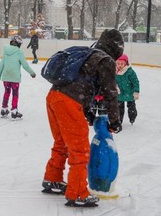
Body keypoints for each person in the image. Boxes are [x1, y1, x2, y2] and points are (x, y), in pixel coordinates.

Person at [41, 29, 123, 208]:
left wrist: (88, 113)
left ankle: (52, 178)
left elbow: (81, 84)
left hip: (54, 97)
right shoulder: (105, 60)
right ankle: (77, 192)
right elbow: (110, 94)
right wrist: (115, 120)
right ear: (116, 49)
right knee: (80, 149)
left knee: (62, 142)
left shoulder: (87, 55)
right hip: (69, 101)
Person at [0, 35, 36, 119]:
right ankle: (14, 111)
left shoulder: (5, 52)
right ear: (18, 44)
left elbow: (1, 65)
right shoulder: (19, 52)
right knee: (15, 93)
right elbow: (25, 65)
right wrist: (32, 73)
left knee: (6, 92)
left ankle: (4, 109)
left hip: (6, 76)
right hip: (15, 77)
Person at [115, 54, 140, 125]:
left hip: (130, 93)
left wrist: (136, 91)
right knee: (119, 109)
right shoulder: (115, 72)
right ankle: (119, 121)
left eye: (122, 64)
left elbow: (135, 82)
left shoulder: (130, 72)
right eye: (118, 63)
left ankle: (132, 117)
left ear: (126, 63)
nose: (120, 65)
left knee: (131, 107)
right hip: (119, 94)